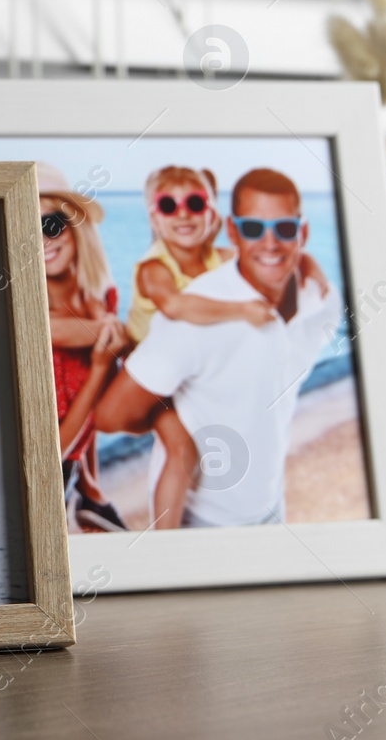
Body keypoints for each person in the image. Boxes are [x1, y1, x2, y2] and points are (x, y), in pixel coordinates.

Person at [94, 168, 343, 528]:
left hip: (271, 513)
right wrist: (241, 312)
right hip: (143, 369)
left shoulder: (319, 301)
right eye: (254, 228)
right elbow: (111, 415)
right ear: (234, 230)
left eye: (285, 229)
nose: (270, 242)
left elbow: (273, 256)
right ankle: (162, 546)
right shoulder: (163, 280)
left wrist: (311, 267)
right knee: (181, 450)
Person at [37, 162, 130, 533]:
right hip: (49, 477)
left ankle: (89, 497)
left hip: (76, 471)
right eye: (26, 229)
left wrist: (92, 487)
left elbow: (88, 413)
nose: (42, 240)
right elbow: (52, 453)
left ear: (75, 224)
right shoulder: (33, 318)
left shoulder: (101, 296)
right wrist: (103, 367)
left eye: (50, 224)